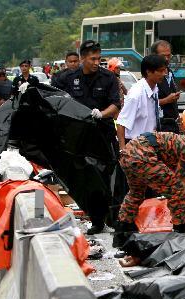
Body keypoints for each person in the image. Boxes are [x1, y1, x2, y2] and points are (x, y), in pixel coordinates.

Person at [116, 126, 185, 236]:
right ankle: (181, 229)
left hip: (130, 154)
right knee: (177, 190)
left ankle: (123, 229)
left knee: (136, 193)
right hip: (143, 156)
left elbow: (180, 174)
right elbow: (181, 181)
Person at [57, 40, 122, 234]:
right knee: (86, 178)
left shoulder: (108, 78)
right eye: (92, 58)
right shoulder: (69, 79)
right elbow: (58, 102)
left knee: (107, 178)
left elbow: (116, 105)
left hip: (103, 134)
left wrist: (101, 113)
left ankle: (113, 218)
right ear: (83, 58)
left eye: (99, 58)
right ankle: (96, 220)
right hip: (79, 138)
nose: (96, 62)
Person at [116, 55, 167, 149]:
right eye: (160, 71)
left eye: (165, 70)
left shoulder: (154, 89)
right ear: (148, 72)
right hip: (135, 145)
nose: (164, 74)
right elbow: (121, 123)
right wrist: (123, 151)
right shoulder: (136, 94)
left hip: (150, 143)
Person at [151, 40, 182, 133]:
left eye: (169, 56)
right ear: (154, 55)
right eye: (163, 56)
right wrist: (167, 100)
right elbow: (148, 102)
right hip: (159, 127)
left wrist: (178, 118)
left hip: (173, 125)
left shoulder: (170, 73)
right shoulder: (151, 76)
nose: (166, 59)